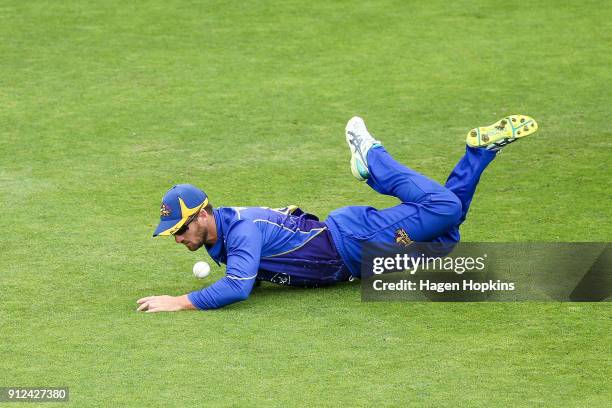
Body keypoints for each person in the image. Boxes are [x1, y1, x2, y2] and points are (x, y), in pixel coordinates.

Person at [137, 115, 539, 312]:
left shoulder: (241, 230)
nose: (178, 238)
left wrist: (178, 301)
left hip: (352, 238)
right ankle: (480, 151)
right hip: (358, 263)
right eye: (173, 232)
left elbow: (239, 287)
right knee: (447, 238)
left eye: (181, 228)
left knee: (444, 207)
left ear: (203, 214)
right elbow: (254, 275)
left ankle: (372, 158)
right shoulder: (220, 240)